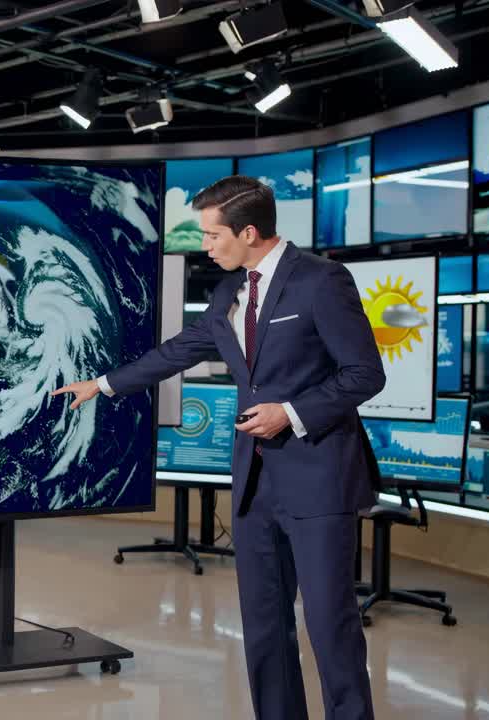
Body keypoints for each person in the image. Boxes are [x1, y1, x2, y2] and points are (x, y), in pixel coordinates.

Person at [52, 175, 383, 720]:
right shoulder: (231, 291)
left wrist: (291, 413)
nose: (205, 246)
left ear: (248, 232)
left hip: (318, 475)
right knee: (263, 623)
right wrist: (104, 384)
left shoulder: (322, 282)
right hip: (254, 483)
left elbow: (364, 374)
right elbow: (180, 350)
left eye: (211, 235)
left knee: (329, 624)